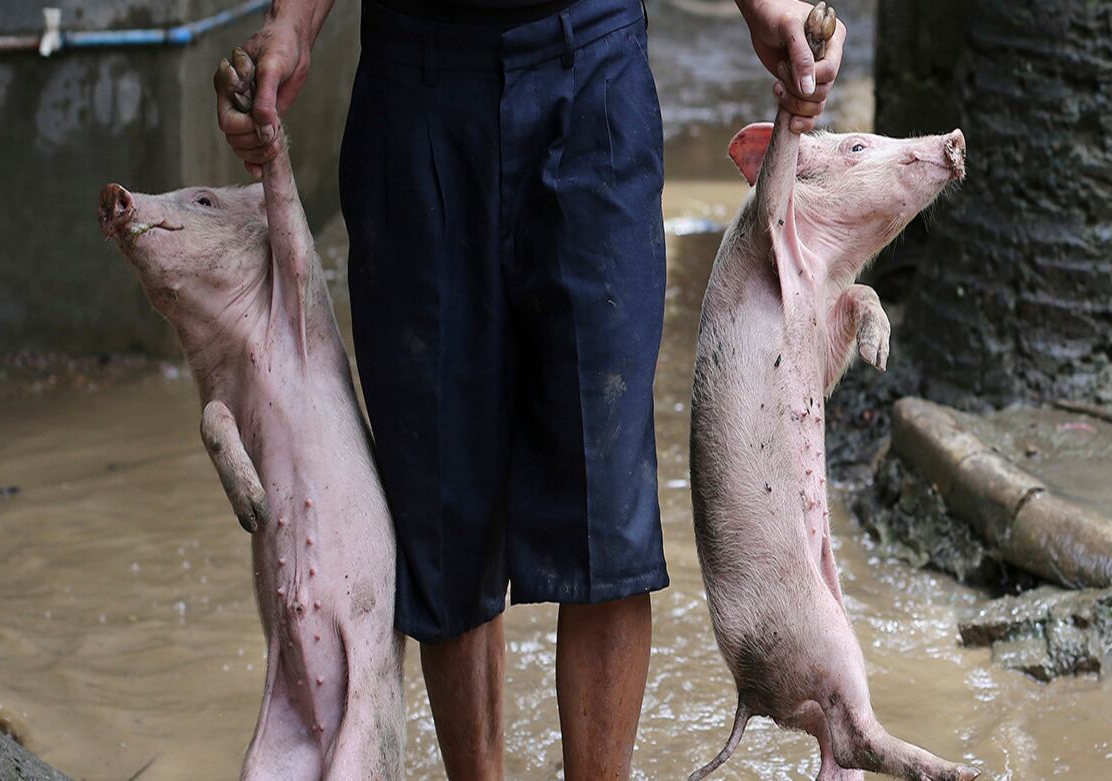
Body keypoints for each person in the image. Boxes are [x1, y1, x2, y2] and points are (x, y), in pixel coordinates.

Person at [216, 1, 844, 779]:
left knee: (606, 506)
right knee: (442, 512)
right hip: (415, 89)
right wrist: (293, 26)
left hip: (591, 70)